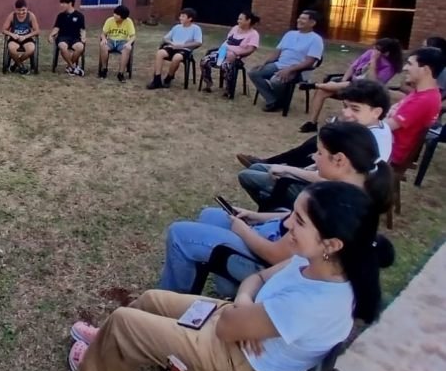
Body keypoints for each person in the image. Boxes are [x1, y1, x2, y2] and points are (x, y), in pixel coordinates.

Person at [69, 181, 388, 371]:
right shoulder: (317, 263)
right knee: (151, 299)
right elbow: (258, 279)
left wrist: (241, 310)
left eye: (300, 221)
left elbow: (225, 330)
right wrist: (246, 304)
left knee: (127, 323)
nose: (288, 224)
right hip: (239, 325)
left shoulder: (314, 302)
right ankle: (110, 347)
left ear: (331, 243)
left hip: (237, 367)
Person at [159, 121, 391, 297]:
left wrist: (243, 230)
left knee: (180, 233)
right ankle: (214, 280)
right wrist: (256, 216)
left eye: (319, 153)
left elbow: (277, 255)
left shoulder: (338, 204)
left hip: (267, 264)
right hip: (270, 237)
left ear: (339, 160)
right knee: (209, 214)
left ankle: (169, 300)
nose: (313, 157)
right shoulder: (344, 190)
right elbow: (294, 218)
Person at [238, 80, 393, 209]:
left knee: (248, 176)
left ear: (376, 112)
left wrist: (289, 170)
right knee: (257, 169)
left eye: (355, 109)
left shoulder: (370, 141)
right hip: (323, 178)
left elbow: (335, 182)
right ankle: (277, 208)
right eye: (345, 106)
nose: (346, 113)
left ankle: (280, 210)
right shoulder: (368, 128)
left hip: (333, 196)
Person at [299, 37, 402, 133]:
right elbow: (353, 67)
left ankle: (316, 85)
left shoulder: (389, 67)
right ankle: (312, 123)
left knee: (348, 84)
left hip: (366, 91)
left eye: (377, 49)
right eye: (374, 47)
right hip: (350, 84)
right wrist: (343, 79)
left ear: (386, 53)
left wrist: (374, 62)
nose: (374, 51)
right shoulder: (369, 53)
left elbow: (373, 82)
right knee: (323, 91)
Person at [249, 10, 324, 111]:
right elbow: (277, 52)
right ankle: (273, 100)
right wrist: (265, 63)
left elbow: (309, 62)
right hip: (279, 64)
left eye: (303, 19)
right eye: (299, 18)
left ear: (312, 23)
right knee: (254, 73)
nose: (299, 20)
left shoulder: (316, 39)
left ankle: (277, 102)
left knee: (275, 81)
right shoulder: (290, 34)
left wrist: (290, 70)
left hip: (298, 70)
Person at [385, 46, 444, 168]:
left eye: (410, 64)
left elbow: (385, 126)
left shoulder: (424, 100)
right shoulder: (424, 93)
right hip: (388, 145)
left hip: (389, 153)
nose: (405, 68)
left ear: (425, 70)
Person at [199, 12, 261, 96]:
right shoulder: (235, 28)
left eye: (240, 19)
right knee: (204, 61)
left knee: (226, 65)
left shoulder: (253, 34)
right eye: (238, 19)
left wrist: (236, 53)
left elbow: (250, 50)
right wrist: (224, 51)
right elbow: (227, 41)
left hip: (237, 57)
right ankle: (208, 83)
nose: (238, 21)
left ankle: (228, 90)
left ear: (248, 21)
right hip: (223, 52)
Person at [146, 8, 203, 90]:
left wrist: (182, 45)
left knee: (177, 57)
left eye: (183, 16)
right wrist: (172, 43)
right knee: (160, 53)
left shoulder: (196, 28)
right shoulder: (177, 27)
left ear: (190, 19)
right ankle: (156, 79)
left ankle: (169, 77)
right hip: (172, 47)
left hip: (185, 49)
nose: (180, 18)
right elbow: (165, 38)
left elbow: (198, 42)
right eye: (180, 16)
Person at [391, 36, 446, 101]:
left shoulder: (442, 71)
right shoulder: (425, 65)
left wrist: (405, 87)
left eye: (425, 47)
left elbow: (433, 96)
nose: (421, 49)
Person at [49, 0, 87, 76]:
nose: (61, 5)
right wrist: (51, 35)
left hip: (75, 38)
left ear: (70, 3)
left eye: (63, 3)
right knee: (63, 46)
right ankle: (73, 67)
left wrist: (83, 37)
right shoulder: (60, 16)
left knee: (80, 47)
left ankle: (69, 67)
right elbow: (56, 28)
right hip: (63, 37)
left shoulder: (80, 16)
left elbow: (82, 29)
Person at [98, 5, 136, 82]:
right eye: (114, 13)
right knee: (103, 46)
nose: (114, 15)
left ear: (122, 17)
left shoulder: (128, 22)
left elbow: (133, 36)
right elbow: (103, 33)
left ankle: (121, 73)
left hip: (122, 41)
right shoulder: (109, 20)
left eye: (117, 14)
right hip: (111, 40)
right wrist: (104, 38)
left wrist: (129, 43)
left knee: (127, 49)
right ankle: (104, 69)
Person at [2, 0, 41, 74]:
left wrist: (26, 36)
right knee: (11, 48)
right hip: (14, 38)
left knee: (31, 49)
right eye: (18, 10)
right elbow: (4, 30)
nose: (21, 12)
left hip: (27, 38)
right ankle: (21, 66)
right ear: (15, 9)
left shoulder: (31, 16)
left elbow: (37, 31)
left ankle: (15, 65)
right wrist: (12, 34)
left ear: (27, 9)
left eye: (23, 10)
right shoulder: (12, 16)